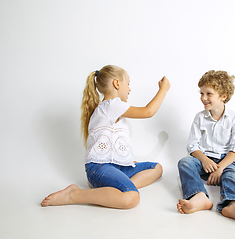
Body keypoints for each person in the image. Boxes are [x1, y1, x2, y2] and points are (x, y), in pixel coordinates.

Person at [41, 65, 170, 209]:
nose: (129, 89)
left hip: (116, 166)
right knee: (132, 198)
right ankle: (74, 194)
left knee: (156, 168)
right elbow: (148, 112)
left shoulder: (107, 108)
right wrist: (163, 89)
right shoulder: (112, 105)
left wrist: (123, 158)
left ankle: (117, 188)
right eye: (128, 84)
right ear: (116, 83)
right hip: (99, 168)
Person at [176, 70, 235, 226]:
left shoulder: (234, 118)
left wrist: (220, 168)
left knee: (232, 175)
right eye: (201, 93)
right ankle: (199, 196)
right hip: (204, 160)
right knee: (185, 162)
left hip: (225, 162)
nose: (203, 98)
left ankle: (233, 204)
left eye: (209, 93)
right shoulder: (200, 117)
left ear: (223, 96)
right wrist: (204, 160)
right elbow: (193, 145)